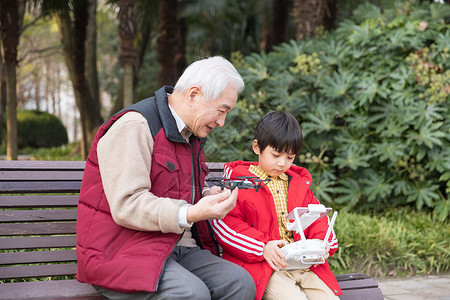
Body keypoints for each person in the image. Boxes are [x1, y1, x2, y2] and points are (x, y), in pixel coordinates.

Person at [76, 56, 256, 300]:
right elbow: (128, 204)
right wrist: (191, 213)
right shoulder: (135, 125)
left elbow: (179, 187)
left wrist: (205, 195)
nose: (222, 122)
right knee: (191, 294)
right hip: (120, 251)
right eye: (221, 110)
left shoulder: (189, 132)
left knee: (239, 283)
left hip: (173, 246)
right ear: (193, 95)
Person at [212, 111, 342, 300]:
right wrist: (263, 246)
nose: (282, 163)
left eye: (290, 158)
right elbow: (226, 226)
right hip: (266, 268)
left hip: (303, 265)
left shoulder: (296, 184)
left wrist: (323, 242)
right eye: (276, 155)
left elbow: (317, 217)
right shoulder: (239, 183)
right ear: (257, 147)